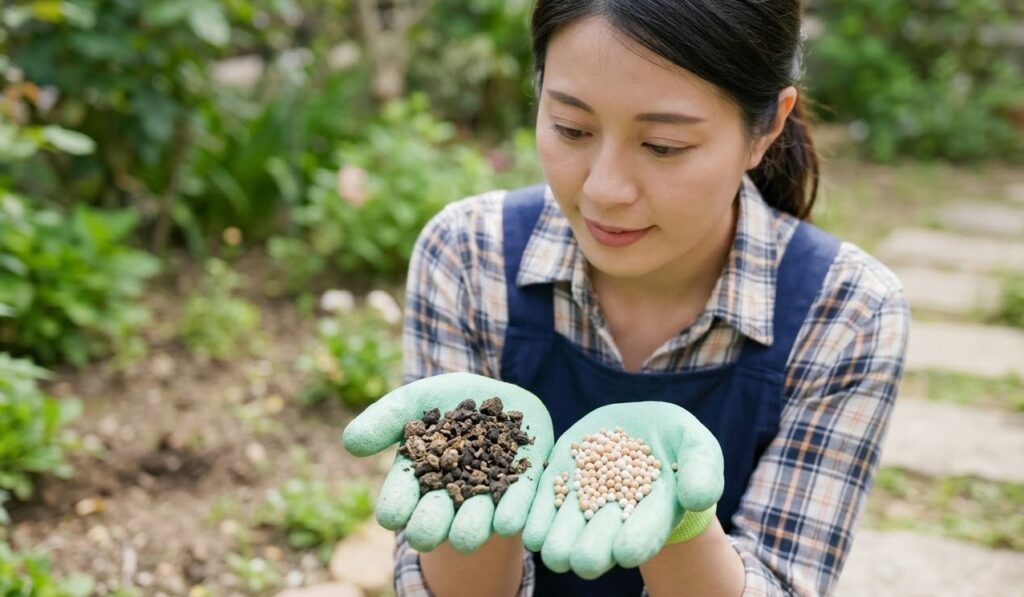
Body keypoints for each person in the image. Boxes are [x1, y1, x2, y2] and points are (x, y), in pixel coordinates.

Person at [343, 0, 910, 595]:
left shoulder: (847, 310)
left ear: (764, 129)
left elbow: (786, 581)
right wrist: (471, 482)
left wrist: (682, 521)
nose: (604, 190)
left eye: (663, 145)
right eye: (571, 129)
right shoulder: (468, 254)